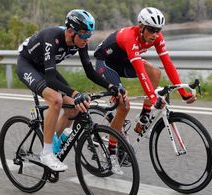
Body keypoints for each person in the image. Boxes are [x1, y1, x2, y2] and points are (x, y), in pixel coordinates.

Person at [16, 9, 125, 174]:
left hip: (44, 69)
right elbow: (51, 79)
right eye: (83, 34)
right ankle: (46, 154)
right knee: (57, 100)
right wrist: (75, 93)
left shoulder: (80, 42)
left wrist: (110, 86)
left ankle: (54, 148)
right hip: (27, 65)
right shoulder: (52, 38)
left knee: (74, 106)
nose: (86, 39)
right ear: (70, 31)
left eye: (89, 35)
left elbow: (89, 71)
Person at [94, 7, 196, 137]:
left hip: (124, 62)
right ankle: (112, 151)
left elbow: (168, 64)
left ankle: (144, 116)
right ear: (141, 27)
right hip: (106, 64)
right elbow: (140, 71)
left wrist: (183, 93)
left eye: (158, 30)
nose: (155, 34)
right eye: (151, 29)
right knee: (124, 106)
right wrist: (153, 98)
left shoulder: (157, 38)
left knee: (155, 73)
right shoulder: (130, 37)